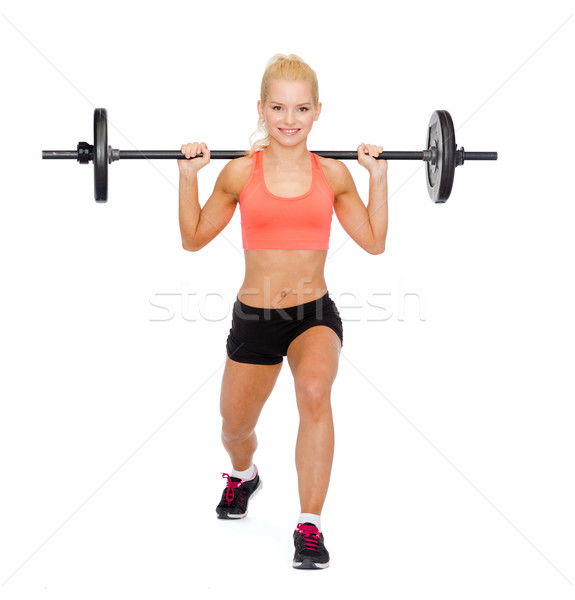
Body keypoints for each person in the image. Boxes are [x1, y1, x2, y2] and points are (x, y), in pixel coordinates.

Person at [178, 54, 387, 570]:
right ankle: (244, 476)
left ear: (318, 111)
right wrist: (188, 177)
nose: (289, 120)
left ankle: (309, 526)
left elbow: (375, 243)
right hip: (254, 320)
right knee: (233, 429)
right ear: (261, 109)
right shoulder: (239, 172)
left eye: (300, 108)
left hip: (313, 315)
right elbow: (193, 239)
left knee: (315, 392)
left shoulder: (334, 174)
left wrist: (378, 179)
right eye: (278, 107)